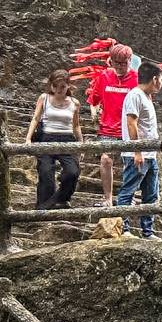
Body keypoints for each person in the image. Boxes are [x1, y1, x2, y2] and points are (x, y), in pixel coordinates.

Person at [85, 44, 141, 201]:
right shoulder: (104, 77)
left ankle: (128, 196)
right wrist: (94, 114)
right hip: (108, 127)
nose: (121, 67)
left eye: (125, 63)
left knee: (132, 162)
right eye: (118, 63)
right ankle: (108, 198)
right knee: (105, 160)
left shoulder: (137, 79)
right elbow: (93, 100)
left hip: (129, 127)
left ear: (130, 61)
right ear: (111, 61)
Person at [114, 63, 162, 238]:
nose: (161, 83)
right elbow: (131, 123)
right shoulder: (135, 95)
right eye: (161, 78)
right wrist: (137, 151)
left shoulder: (146, 97)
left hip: (150, 154)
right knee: (128, 191)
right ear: (154, 79)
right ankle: (123, 228)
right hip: (137, 154)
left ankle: (147, 232)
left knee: (151, 194)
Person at [27, 69, 85, 209]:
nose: (58, 90)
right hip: (47, 137)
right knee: (46, 171)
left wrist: (81, 144)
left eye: (62, 86)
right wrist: (28, 138)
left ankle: (59, 199)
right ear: (51, 86)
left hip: (67, 139)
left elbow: (76, 126)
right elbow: (36, 118)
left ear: (68, 86)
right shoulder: (44, 98)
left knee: (72, 172)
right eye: (55, 86)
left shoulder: (74, 103)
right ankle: (43, 204)